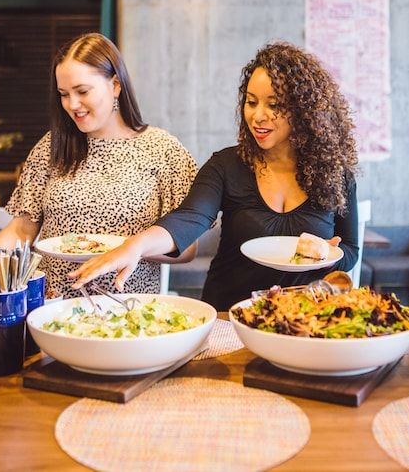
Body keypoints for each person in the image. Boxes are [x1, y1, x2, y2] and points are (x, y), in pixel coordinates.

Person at [72, 42, 360, 311]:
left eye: (274, 105)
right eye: (251, 102)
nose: (258, 116)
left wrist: (325, 252)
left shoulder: (335, 174)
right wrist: (134, 246)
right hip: (228, 315)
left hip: (302, 316)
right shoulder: (226, 165)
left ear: (303, 111)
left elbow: (349, 250)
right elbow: (188, 219)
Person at [0, 33, 198, 299]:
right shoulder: (52, 147)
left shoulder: (164, 150)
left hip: (129, 306)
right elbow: (22, 229)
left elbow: (187, 248)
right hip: (53, 306)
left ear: (115, 84)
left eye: (83, 91)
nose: (72, 105)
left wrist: (132, 248)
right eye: (64, 94)